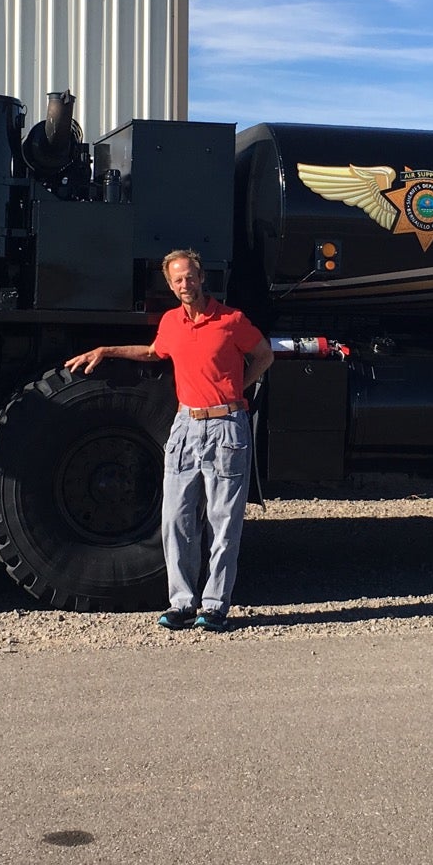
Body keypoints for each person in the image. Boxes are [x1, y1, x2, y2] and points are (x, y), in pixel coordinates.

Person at [64, 249, 273, 631]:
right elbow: (152, 352)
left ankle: (215, 606)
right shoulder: (171, 322)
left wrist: (237, 392)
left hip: (227, 427)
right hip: (185, 427)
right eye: (177, 280)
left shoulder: (231, 320)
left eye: (190, 277)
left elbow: (264, 354)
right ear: (170, 284)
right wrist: (106, 350)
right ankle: (182, 603)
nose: (184, 285)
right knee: (176, 519)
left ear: (202, 277)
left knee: (222, 523)